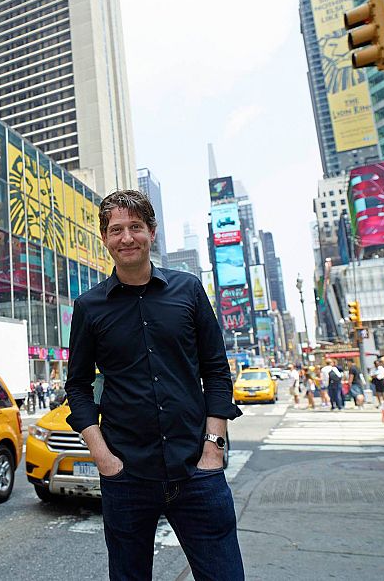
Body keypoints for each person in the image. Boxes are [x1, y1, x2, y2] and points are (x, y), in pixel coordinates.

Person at [65, 190, 244, 581]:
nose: (126, 238)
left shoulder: (189, 290)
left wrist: (213, 449)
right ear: (105, 238)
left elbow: (215, 370)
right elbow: (77, 386)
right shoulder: (89, 307)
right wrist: (103, 458)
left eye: (135, 227)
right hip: (126, 476)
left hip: (197, 471)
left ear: (152, 232)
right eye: (116, 230)